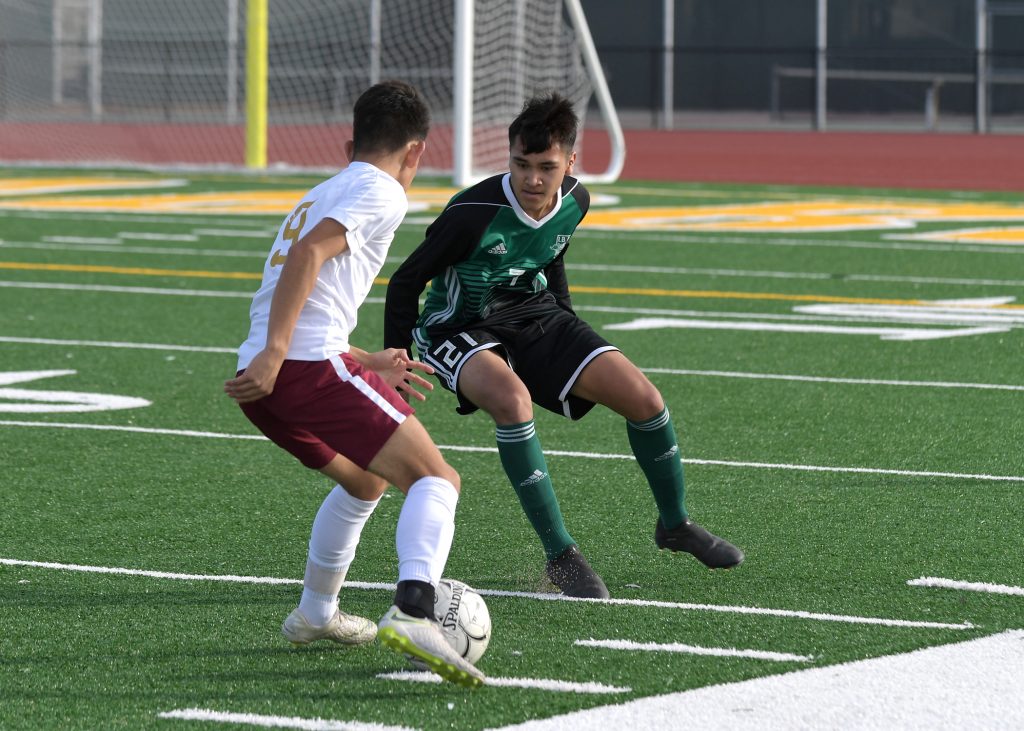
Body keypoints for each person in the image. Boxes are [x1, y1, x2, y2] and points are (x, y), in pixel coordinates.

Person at [383, 92, 743, 599]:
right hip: (456, 327)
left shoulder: (576, 200)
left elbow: (551, 255)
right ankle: (560, 554)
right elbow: (405, 282)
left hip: (534, 314)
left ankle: (675, 525)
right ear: (509, 156)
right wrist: (397, 362)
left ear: (570, 162)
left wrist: (568, 325)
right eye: (521, 164)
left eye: (546, 167)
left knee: (645, 400)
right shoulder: (471, 213)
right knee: (513, 402)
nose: (532, 179)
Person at [224, 81, 483, 687]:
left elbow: (305, 290)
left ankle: (316, 613)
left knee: (366, 482)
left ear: (350, 145)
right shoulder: (383, 190)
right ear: (416, 151)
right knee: (438, 479)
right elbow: (309, 256)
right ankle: (414, 610)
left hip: (265, 375)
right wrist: (283, 353)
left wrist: (362, 359)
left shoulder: (324, 190)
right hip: (299, 368)